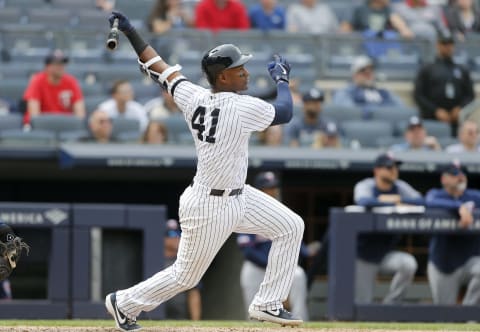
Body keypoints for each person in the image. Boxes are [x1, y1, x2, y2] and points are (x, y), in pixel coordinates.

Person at [105, 11, 305, 330]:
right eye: (239, 69)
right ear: (223, 77)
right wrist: (282, 80)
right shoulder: (239, 107)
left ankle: (268, 302)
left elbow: (157, 67)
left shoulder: (193, 95)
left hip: (237, 195)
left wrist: (130, 31)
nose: (246, 73)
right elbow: (285, 112)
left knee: (291, 226)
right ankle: (124, 302)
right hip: (210, 206)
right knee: (186, 276)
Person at [237, 171, 317, 321]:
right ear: (259, 191)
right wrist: (273, 265)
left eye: (274, 187)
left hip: (279, 268)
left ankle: (300, 321)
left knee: (298, 274)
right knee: (252, 314)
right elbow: (247, 250)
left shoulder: (281, 211)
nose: (272, 191)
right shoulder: (247, 212)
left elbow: (294, 238)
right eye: (267, 188)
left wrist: (307, 251)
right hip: (256, 268)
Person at [353, 152, 423, 303]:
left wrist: (397, 199)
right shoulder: (367, 185)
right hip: (363, 255)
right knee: (362, 302)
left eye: (396, 167)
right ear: (377, 170)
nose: (394, 170)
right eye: (389, 167)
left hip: (385, 253)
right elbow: (363, 201)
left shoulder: (400, 187)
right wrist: (390, 202)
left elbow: (421, 200)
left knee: (408, 264)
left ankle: (390, 306)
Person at [425, 159, 480, 305]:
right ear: (444, 179)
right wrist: (459, 207)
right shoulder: (436, 194)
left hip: (469, 260)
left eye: (462, 174)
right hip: (443, 264)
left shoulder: (474, 196)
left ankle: (468, 315)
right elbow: (428, 201)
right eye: (455, 174)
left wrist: (467, 208)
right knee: (444, 316)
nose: (460, 177)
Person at [413, 28, 474, 136]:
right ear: (438, 45)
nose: (448, 47)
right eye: (444, 44)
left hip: (457, 120)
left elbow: (469, 94)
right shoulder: (427, 69)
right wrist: (436, 111)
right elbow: (418, 95)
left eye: (450, 44)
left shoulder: (462, 69)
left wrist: (460, 108)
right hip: (432, 119)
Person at [22, 49, 86, 125]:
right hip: (43, 126)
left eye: (63, 63)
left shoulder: (71, 81)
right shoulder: (37, 81)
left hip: (64, 126)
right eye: (57, 64)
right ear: (47, 66)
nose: (61, 67)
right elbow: (34, 115)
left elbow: (80, 115)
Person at [331, 55, 406, 114]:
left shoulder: (384, 91)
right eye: (363, 70)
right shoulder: (346, 92)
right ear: (354, 75)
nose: (368, 73)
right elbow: (349, 113)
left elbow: (401, 110)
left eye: (371, 70)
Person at [163, 219, 202, 320]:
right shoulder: (157, 261)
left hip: (179, 317)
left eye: (177, 235)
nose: (176, 239)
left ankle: (194, 323)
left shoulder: (186, 262)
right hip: (167, 263)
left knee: (193, 290)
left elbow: (194, 292)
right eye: (171, 235)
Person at [342, 0, 414, 39]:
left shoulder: (388, 9)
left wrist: (404, 30)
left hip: (381, 45)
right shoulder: (359, 7)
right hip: (363, 45)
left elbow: (397, 21)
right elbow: (345, 28)